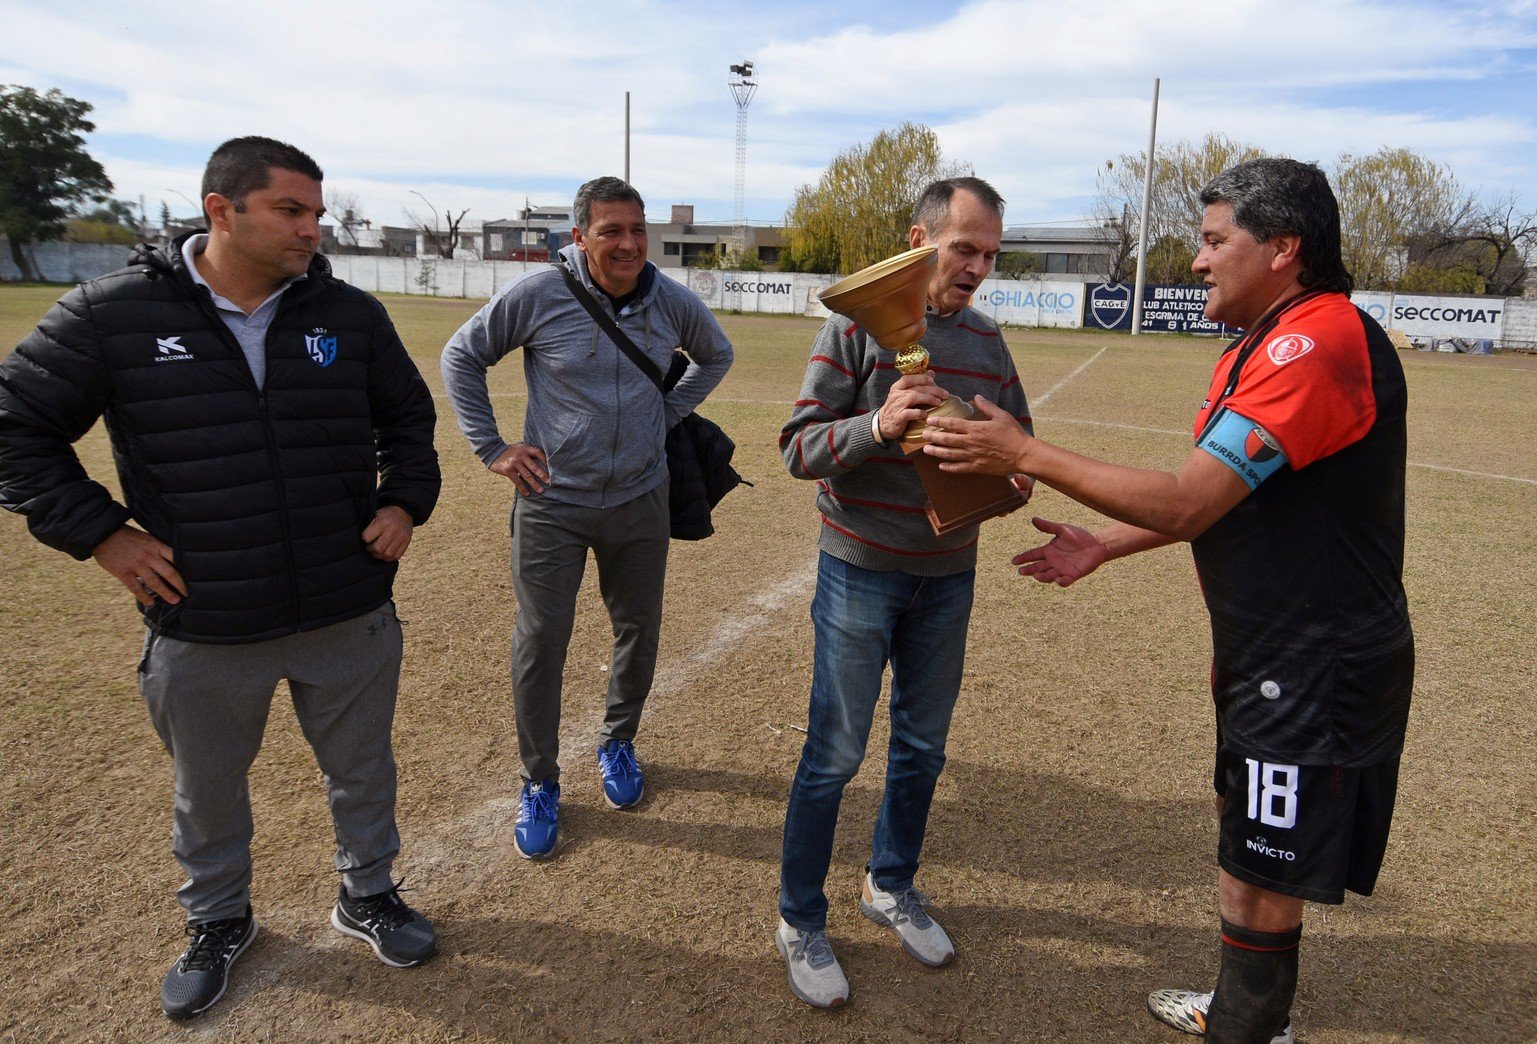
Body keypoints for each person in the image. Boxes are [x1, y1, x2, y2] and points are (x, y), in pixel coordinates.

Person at [923, 158, 1413, 1043]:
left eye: (1214, 240)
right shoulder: (1262, 343)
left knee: (1260, 872)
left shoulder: (1316, 340)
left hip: (1313, 667)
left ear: (1283, 249)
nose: (1196, 261)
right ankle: (1245, 1013)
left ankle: (1250, 1030)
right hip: (1269, 657)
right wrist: (1101, 545)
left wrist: (1022, 454)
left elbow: (1189, 499)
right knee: (1244, 852)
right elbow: (1224, 499)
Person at [0, 136, 442, 1020]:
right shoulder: (108, 314)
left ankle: (368, 895)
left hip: (345, 605)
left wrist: (404, 505)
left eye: (317, 212)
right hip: (204, 618)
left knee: (362, 771)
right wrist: (102, 536)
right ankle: (217, 920)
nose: (312, 229)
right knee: (206, 791)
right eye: (291, 210)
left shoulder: (348, 316)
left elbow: (408, 420)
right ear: (220, 209)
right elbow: (15, 429)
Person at [774, 177, 1034, 1007]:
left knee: (921, 749)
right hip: (858, 570)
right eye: (965, 249)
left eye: (989, 254)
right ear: (920, 239)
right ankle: (799, 919)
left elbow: (1020, 448)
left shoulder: (989, 344)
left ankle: (888, 886)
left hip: (948, 578)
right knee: (835, 756)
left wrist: (1009, 475)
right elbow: (795, 449)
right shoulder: (850, 330)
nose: (978, 269)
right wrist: (877, 427)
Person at [440, 176, 733, 860]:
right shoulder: (539, 295)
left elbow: (716, 355)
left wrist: (665, 412)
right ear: (579, 238)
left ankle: (619, 742)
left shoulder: (671, 301)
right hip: (553, 503)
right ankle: (538, 780)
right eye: (611, 231)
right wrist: (492, 448)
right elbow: (462, 355)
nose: (628, 244)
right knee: (541, 640)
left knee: (638, 627)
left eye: (637, 230)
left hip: (640, 497)